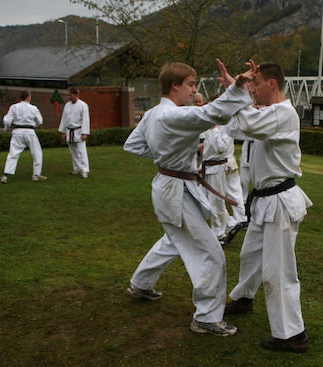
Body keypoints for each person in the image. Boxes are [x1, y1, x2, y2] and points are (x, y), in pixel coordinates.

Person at [123, 59, 256, 337]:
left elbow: (133, 145)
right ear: (175, 85)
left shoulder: (151, 115)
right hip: (174, 191)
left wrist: (170, 160)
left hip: (169, 185)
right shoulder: (172, 116)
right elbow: (212, 113)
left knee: (172, 241)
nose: (194, 90)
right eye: (191, 84)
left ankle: (140, 284)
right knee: (211, 254)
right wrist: (239, 87)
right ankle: (206, 316)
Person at [223, 62, 313, 353]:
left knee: (279, 270)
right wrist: (233, 88)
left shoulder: (283, 114)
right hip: (264, 201)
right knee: (250, 256)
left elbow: (246, 123)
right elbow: (237, 126)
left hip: (279, 201)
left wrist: (236, 89)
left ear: (272, 83)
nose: (253, 90)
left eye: (256, 85)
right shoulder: (268, 114)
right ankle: (245, 299)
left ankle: (292, 335)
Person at [200, 124, 246, 245]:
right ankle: (230, 223)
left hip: (218, 167)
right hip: (210, 166)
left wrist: (213, 128)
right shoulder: (211, 123)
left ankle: (218, 234)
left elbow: (221, 148)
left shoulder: (227, 125)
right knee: (202, 200)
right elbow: (209, 150)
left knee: (216, 201)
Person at [0, 90, 46, 184]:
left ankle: (5, 175)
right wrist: (33, 125)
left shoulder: (14, 107)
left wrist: (5, 128)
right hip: (29, 132)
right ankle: (36, 175)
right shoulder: (33, 108)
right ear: (28, 97)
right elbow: (40, 121)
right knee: (37, 153)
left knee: (13, 153)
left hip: (17, 131)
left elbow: (7, 120)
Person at [58, 87, 90, 179]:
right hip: (69, 130)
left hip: (78, 131)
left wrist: (84, 133)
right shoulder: (67, 105)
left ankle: (85, 170)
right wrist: (63, 132)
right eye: (68, 95)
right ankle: (77, 168)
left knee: (81, 151)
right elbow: (64, 119)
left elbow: (85, 120)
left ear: (76, 95)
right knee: (73, 151)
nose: (68, 97)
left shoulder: (83, 105)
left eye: (70, 95)